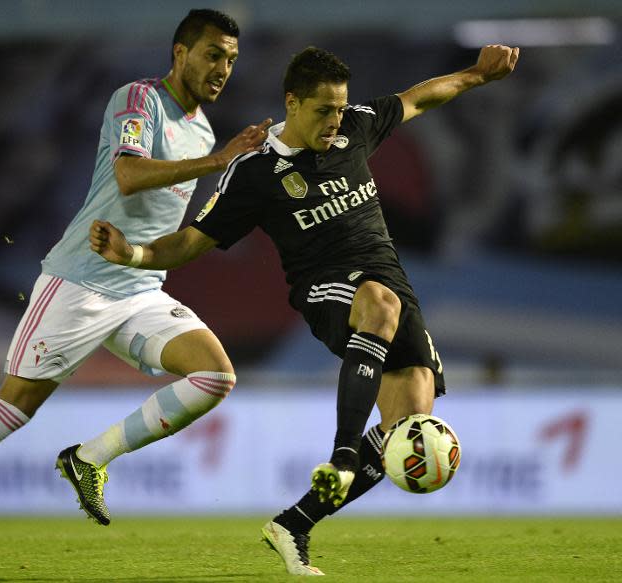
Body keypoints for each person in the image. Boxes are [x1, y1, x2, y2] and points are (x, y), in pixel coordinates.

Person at [88, 44, 519, 575]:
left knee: (406, 428)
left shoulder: (355, 128)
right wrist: (132, 253)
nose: (334, 121)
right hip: (326, 291)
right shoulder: (255, 174)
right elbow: (192, 242)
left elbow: (418, 100)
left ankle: (294, 523)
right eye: (323, 110)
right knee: (377, 305)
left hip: (394, 288)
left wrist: (476, 75)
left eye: (340, 108)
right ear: (292, 103)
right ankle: (341, 456)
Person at [0, 8, 272, 567]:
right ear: (180, 52)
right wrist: (217, 160)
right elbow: (129, 175)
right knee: (14, 406)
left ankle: (89, 458)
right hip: (80, 280)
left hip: (139, 288)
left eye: (231, 59)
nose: (223, 68)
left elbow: (168, 222)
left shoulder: (204, 128)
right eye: (213, 54)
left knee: (215, 374)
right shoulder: (138, 99)